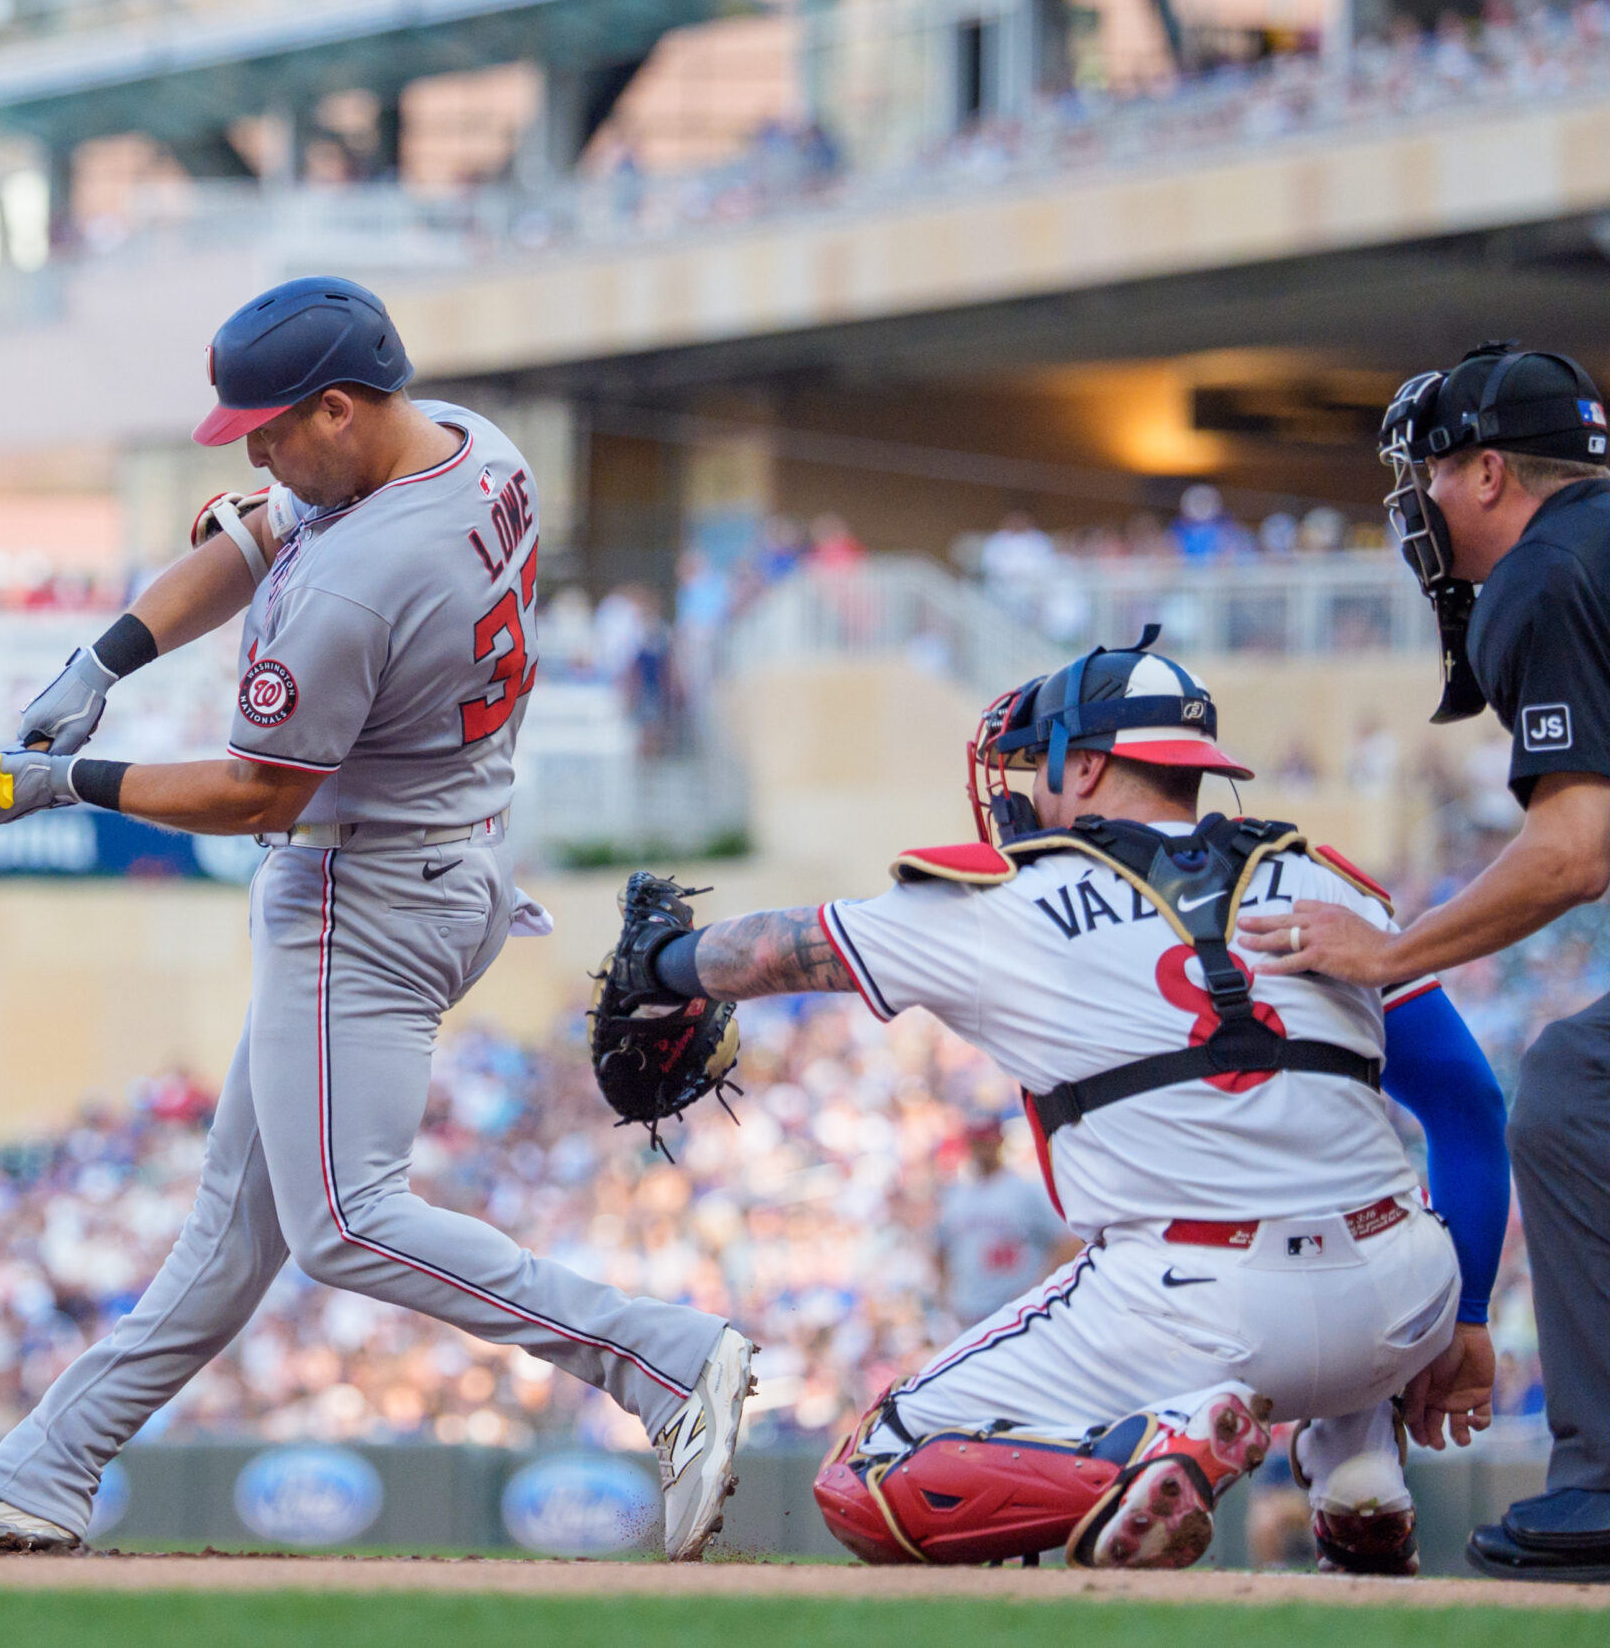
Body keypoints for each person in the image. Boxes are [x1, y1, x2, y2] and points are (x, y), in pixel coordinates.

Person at [0, 275, 757, 1561]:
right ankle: (45, 1470)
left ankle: (663, 1360)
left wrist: (70, 783)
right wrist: (105, 659)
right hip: (439, 862)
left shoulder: (369, 576)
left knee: (345, 1225)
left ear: (339, 407)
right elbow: (257, 534)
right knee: (236, 1224)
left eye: (273, 428)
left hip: (363, 891)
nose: (257, 453)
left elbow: (258, 786)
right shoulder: (458, 441)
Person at [588, 633, 1508, 1572]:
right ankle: (1357, 1461)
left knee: (867, 1475)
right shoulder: (1331, 884)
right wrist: (1467, 1313)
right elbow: (1470, 1104)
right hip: (1404, 1304)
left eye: (1039, 765)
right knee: (1328, 1162)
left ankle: (1142, 1455)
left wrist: (659, 966)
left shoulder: (1008, 901)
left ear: (1092, 762)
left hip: (1196, 1313)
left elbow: (784, 948)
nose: (1025, 789)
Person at [1247, 344, 1610, 1580]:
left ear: (1492, 472)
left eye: (1431, 476)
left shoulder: (1544, 575)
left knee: (1573, 1087)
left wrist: (1393, 948)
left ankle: (1603, 1484)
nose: (1418, 505)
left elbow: (1572, 853)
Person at [934, 1116, 1075, 1332]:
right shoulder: (956, 1195)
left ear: (999, 1142)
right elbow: (940, 1249)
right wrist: (947, 1293)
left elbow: (1067, 1243)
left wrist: (1039, 1288)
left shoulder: (1026, 1189)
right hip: (970, 1311)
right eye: (977, 1143)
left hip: (1018, 1312)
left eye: (987, 1143)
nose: (983, 1150)